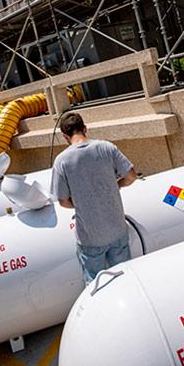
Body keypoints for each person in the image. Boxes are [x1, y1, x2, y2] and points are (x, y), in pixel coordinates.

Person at [50, 111, 138, 284]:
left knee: (95, 287)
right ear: (85, 128)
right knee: (126, 280)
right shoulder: (107, 147)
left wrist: (83, 202)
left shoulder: (62, 161)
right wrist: (116, 185)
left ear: (64, 137)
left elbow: (63, 201)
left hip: (90, 238)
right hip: (118, 231)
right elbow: (131, 176)